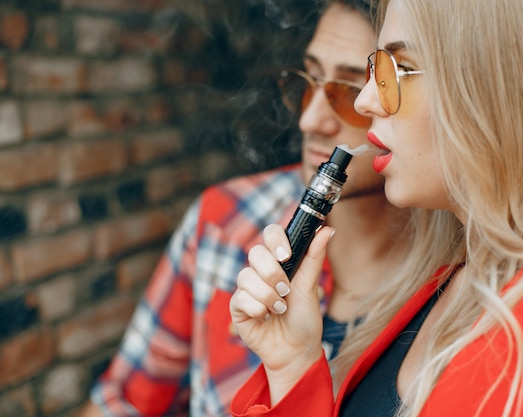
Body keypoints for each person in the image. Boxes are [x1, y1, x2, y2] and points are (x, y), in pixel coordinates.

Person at [229, 0, 523, 416]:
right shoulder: (448, 277)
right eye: (376, 66)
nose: (367, 102)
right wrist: (292, 369)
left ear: (503, 87)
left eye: (398, 69)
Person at [78, 1, 413, 416]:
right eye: (306, 82)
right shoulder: (225, 221)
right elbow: (124, 403)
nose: (310, 119)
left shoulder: (458, 281)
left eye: (347, 92)